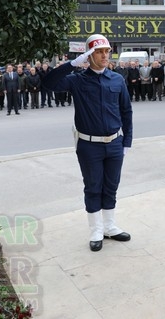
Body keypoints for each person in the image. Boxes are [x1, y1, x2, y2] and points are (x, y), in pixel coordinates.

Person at [42, 34, 133, 252]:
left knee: (111, 186)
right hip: (88, 145)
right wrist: (71, 64)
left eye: (106, 51)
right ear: (89, 55)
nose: (104, 56)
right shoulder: (77, 80)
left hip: (114, 143)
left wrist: (126, 141)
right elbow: (47, 84)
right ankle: (96, 230)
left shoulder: (117, 80)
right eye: (99, 52)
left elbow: (126, 111)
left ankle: (110, 226)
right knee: (93, 187)